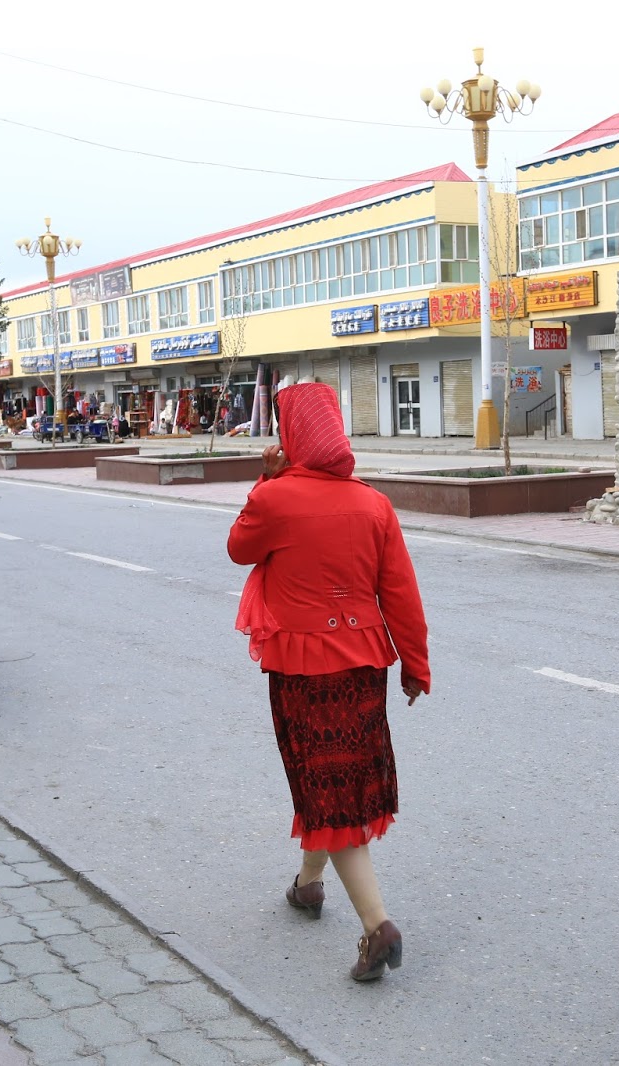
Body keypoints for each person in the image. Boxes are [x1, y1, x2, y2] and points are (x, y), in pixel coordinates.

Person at [226, 382, 430, 983]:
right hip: (364, 667)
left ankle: (377, 925)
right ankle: (309, 884)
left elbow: (239, 548)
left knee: (326, 785)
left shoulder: (276, 498)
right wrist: (415, 665)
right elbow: (401, 593)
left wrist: (266, 480)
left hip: (303, 670)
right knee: (332, 781)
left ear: (292, 437)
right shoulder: (374, 504)